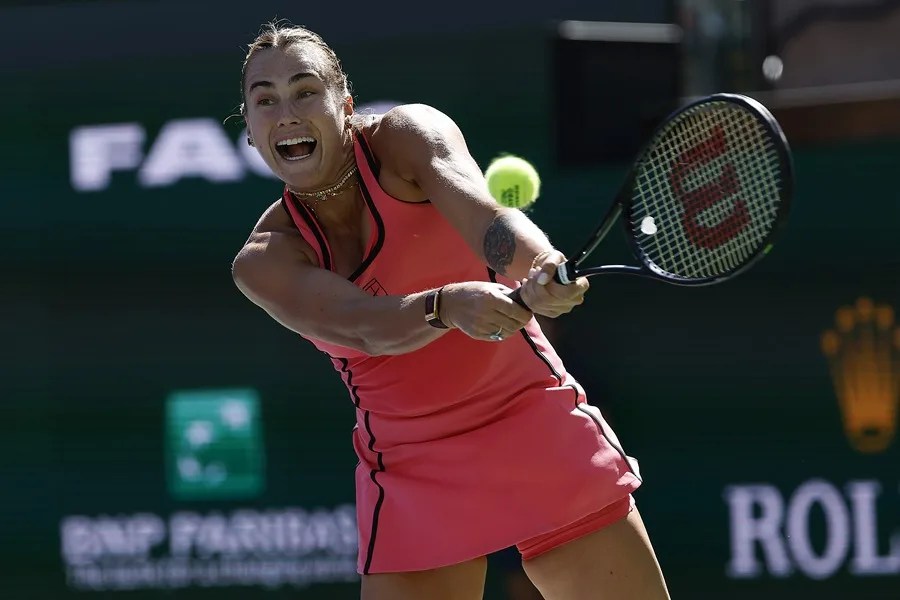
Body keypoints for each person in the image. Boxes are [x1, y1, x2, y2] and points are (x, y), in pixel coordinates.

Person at [230, 20, 671, 600]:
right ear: (250, 129)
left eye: (305, 91)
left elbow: (489, 222)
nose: (286, 112)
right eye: (265, 100)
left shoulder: (408, 137)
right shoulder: (264, 260)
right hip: (410, 467)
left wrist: (538, 265)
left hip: (528, 418)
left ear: (346, 105)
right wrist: (446, 305)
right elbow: (363, 325)